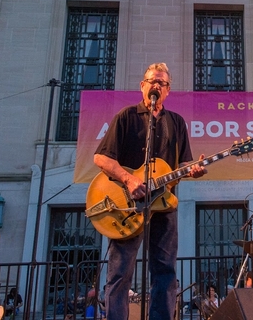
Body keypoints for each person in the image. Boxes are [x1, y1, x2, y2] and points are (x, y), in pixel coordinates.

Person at [94, 63, 207, 320]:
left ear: (168, 90)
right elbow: (101, 158)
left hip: (164, 206)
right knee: (120, 273)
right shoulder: (126, 116)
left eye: (162, 83)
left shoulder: (176, 122)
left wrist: (194, 168)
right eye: (152, 81)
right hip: (128, 207)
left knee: (165, 271)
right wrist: (128, 180)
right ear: (142, 86)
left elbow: (183, 163)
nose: (156, 85)